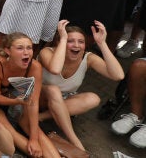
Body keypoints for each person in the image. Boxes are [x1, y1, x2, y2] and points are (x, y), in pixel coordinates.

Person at [39, 20, 124, 151]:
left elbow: (118, 75)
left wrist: (102, 44)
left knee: (93, 98)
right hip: (39, 96)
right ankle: (75, 141)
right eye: (70, 41)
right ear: (60, 42)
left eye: (81, 41)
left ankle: (41, 117)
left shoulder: (88, 58)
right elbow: (55, 69)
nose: (76, 45)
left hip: (62, 101)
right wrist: (63, 40)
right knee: (54, 90)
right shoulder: (47, 52)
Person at [0, 32, 60, 158]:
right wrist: (18, 101)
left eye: (29, 48)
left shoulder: (35, 66)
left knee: (35, 129)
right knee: (9, 130)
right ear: (8, 51)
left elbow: (33, 103)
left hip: (16, 99)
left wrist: (34, 139)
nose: (26, 52)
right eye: (20, 48)